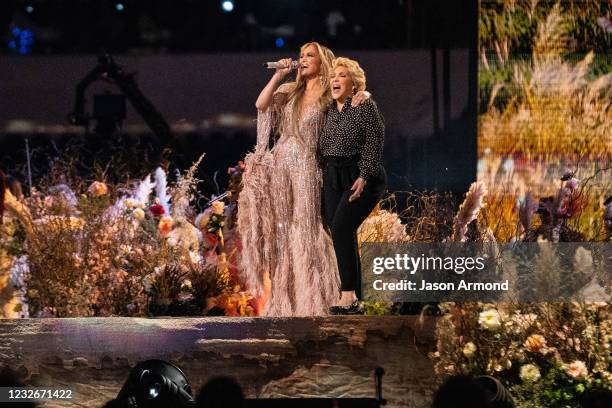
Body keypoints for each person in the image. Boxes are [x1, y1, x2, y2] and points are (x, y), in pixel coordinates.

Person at [237, 42, 369, 316]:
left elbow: (354, 96)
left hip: (308, 167)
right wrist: (277, 76)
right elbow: (261, 105)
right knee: (285, 232)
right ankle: (288, 301)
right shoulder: (289, 91)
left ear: (322, 62)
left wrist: (362, 94)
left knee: (306, 226)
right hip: (281, 166)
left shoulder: (328, 94)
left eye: (310, 55)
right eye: (301, 56)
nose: (303, 59)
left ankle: (317, 297)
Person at [319, 57, 387, 314]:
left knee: (340, 228)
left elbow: (375, 140)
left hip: (360, 175)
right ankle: (356, 296)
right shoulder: (327, 109)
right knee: (342, 232)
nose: (336, 79)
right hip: (333, 175)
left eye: (343, 75)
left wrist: (364, 175)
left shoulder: (364, 106)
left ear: (354, 84)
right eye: (334, 75)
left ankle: (348, 294)